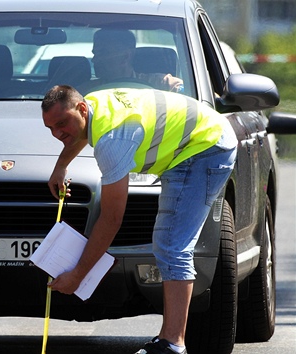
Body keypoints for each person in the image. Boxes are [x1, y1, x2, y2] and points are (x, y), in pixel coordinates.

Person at [41, 85, 237, 354]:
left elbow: (111, 219)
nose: (57, 134)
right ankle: (169, 341)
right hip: (202, 138)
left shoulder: (112, 140)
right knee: (169, 243)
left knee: (172, 245)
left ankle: (173, 344)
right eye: (50, 128)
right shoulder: (95, 106)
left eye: (61, 124)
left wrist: (78, 275)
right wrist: (61, 166)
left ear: (82, 109)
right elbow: (79, 132)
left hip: (206, 147)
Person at [90, 29, 183, 92]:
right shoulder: (87, 91)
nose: (94, 60)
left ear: (125, 56)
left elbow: (185, 90)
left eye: (102, 54)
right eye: (95, 54)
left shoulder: (159, 84)